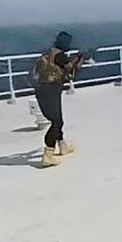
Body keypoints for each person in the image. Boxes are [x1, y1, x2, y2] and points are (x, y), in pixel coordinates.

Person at [32, 31, 85, 167]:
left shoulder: (48, 53)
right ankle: (48, 154)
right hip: (51, 89)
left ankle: (62, 146)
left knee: (57, 118)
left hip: (42, 89)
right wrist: (80, 59)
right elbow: (70, 71)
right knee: (57, 122)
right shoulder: (60, 56)